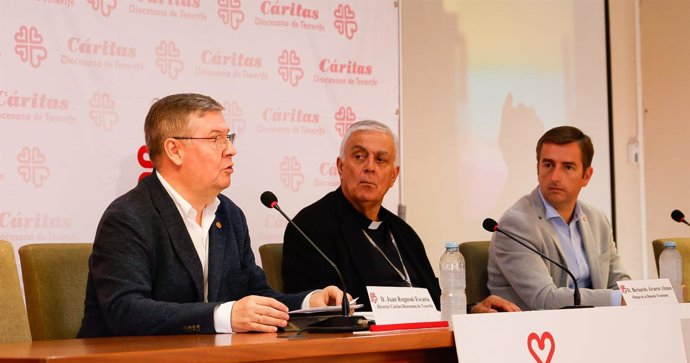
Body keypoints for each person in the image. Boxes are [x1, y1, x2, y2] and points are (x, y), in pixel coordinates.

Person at [78, 93, 343, 337]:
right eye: (216, 139)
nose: (230, 149)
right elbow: (126, 312)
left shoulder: (229, 215)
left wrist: (311, 303)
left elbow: (256, 294)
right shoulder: (128, 217)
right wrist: (225, 315)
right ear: (174, 150)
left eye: (229, 137)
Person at [282, 119, 519, 314]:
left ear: (393, 175)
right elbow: (316, 313)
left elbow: (434, 302)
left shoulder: (403, 233)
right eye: (359, 156)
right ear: (341, 166)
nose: (370, 167)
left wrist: (472, 310)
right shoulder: (310, 227)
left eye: (380, 160)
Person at [487, 125, 630, 310]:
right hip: (536, 333)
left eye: (568, 167)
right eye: (548, 165)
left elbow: (619, 281)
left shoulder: (597, 219)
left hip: (594, 327)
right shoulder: (516, 225)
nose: (555, 176)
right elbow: (545, 299)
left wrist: (641, 295)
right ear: (538, 169)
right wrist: (617, 299)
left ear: (586, 176)